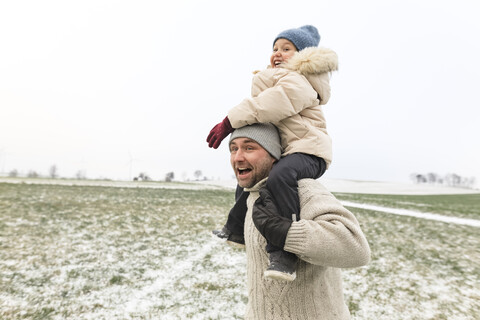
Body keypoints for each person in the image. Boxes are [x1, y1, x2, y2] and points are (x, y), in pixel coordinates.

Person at [207, 25, 338, 281]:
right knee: (250, 177)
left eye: (286, 49)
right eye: (275, 48)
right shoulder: (279, 78)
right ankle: (236, 229)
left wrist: (229, 121)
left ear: (303, 56)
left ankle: (285, 251)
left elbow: (271, 105)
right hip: (291, 149)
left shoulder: (299, 79)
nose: (277, 53)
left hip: (310, 151)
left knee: (280, 177)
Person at [226, 123, 370, 320]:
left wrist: (286, 232)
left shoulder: (303, 190)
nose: (238, 157)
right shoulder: (251, 197)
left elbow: (357, 249)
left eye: (249, 147)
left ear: (274, 155)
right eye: (234, 149)